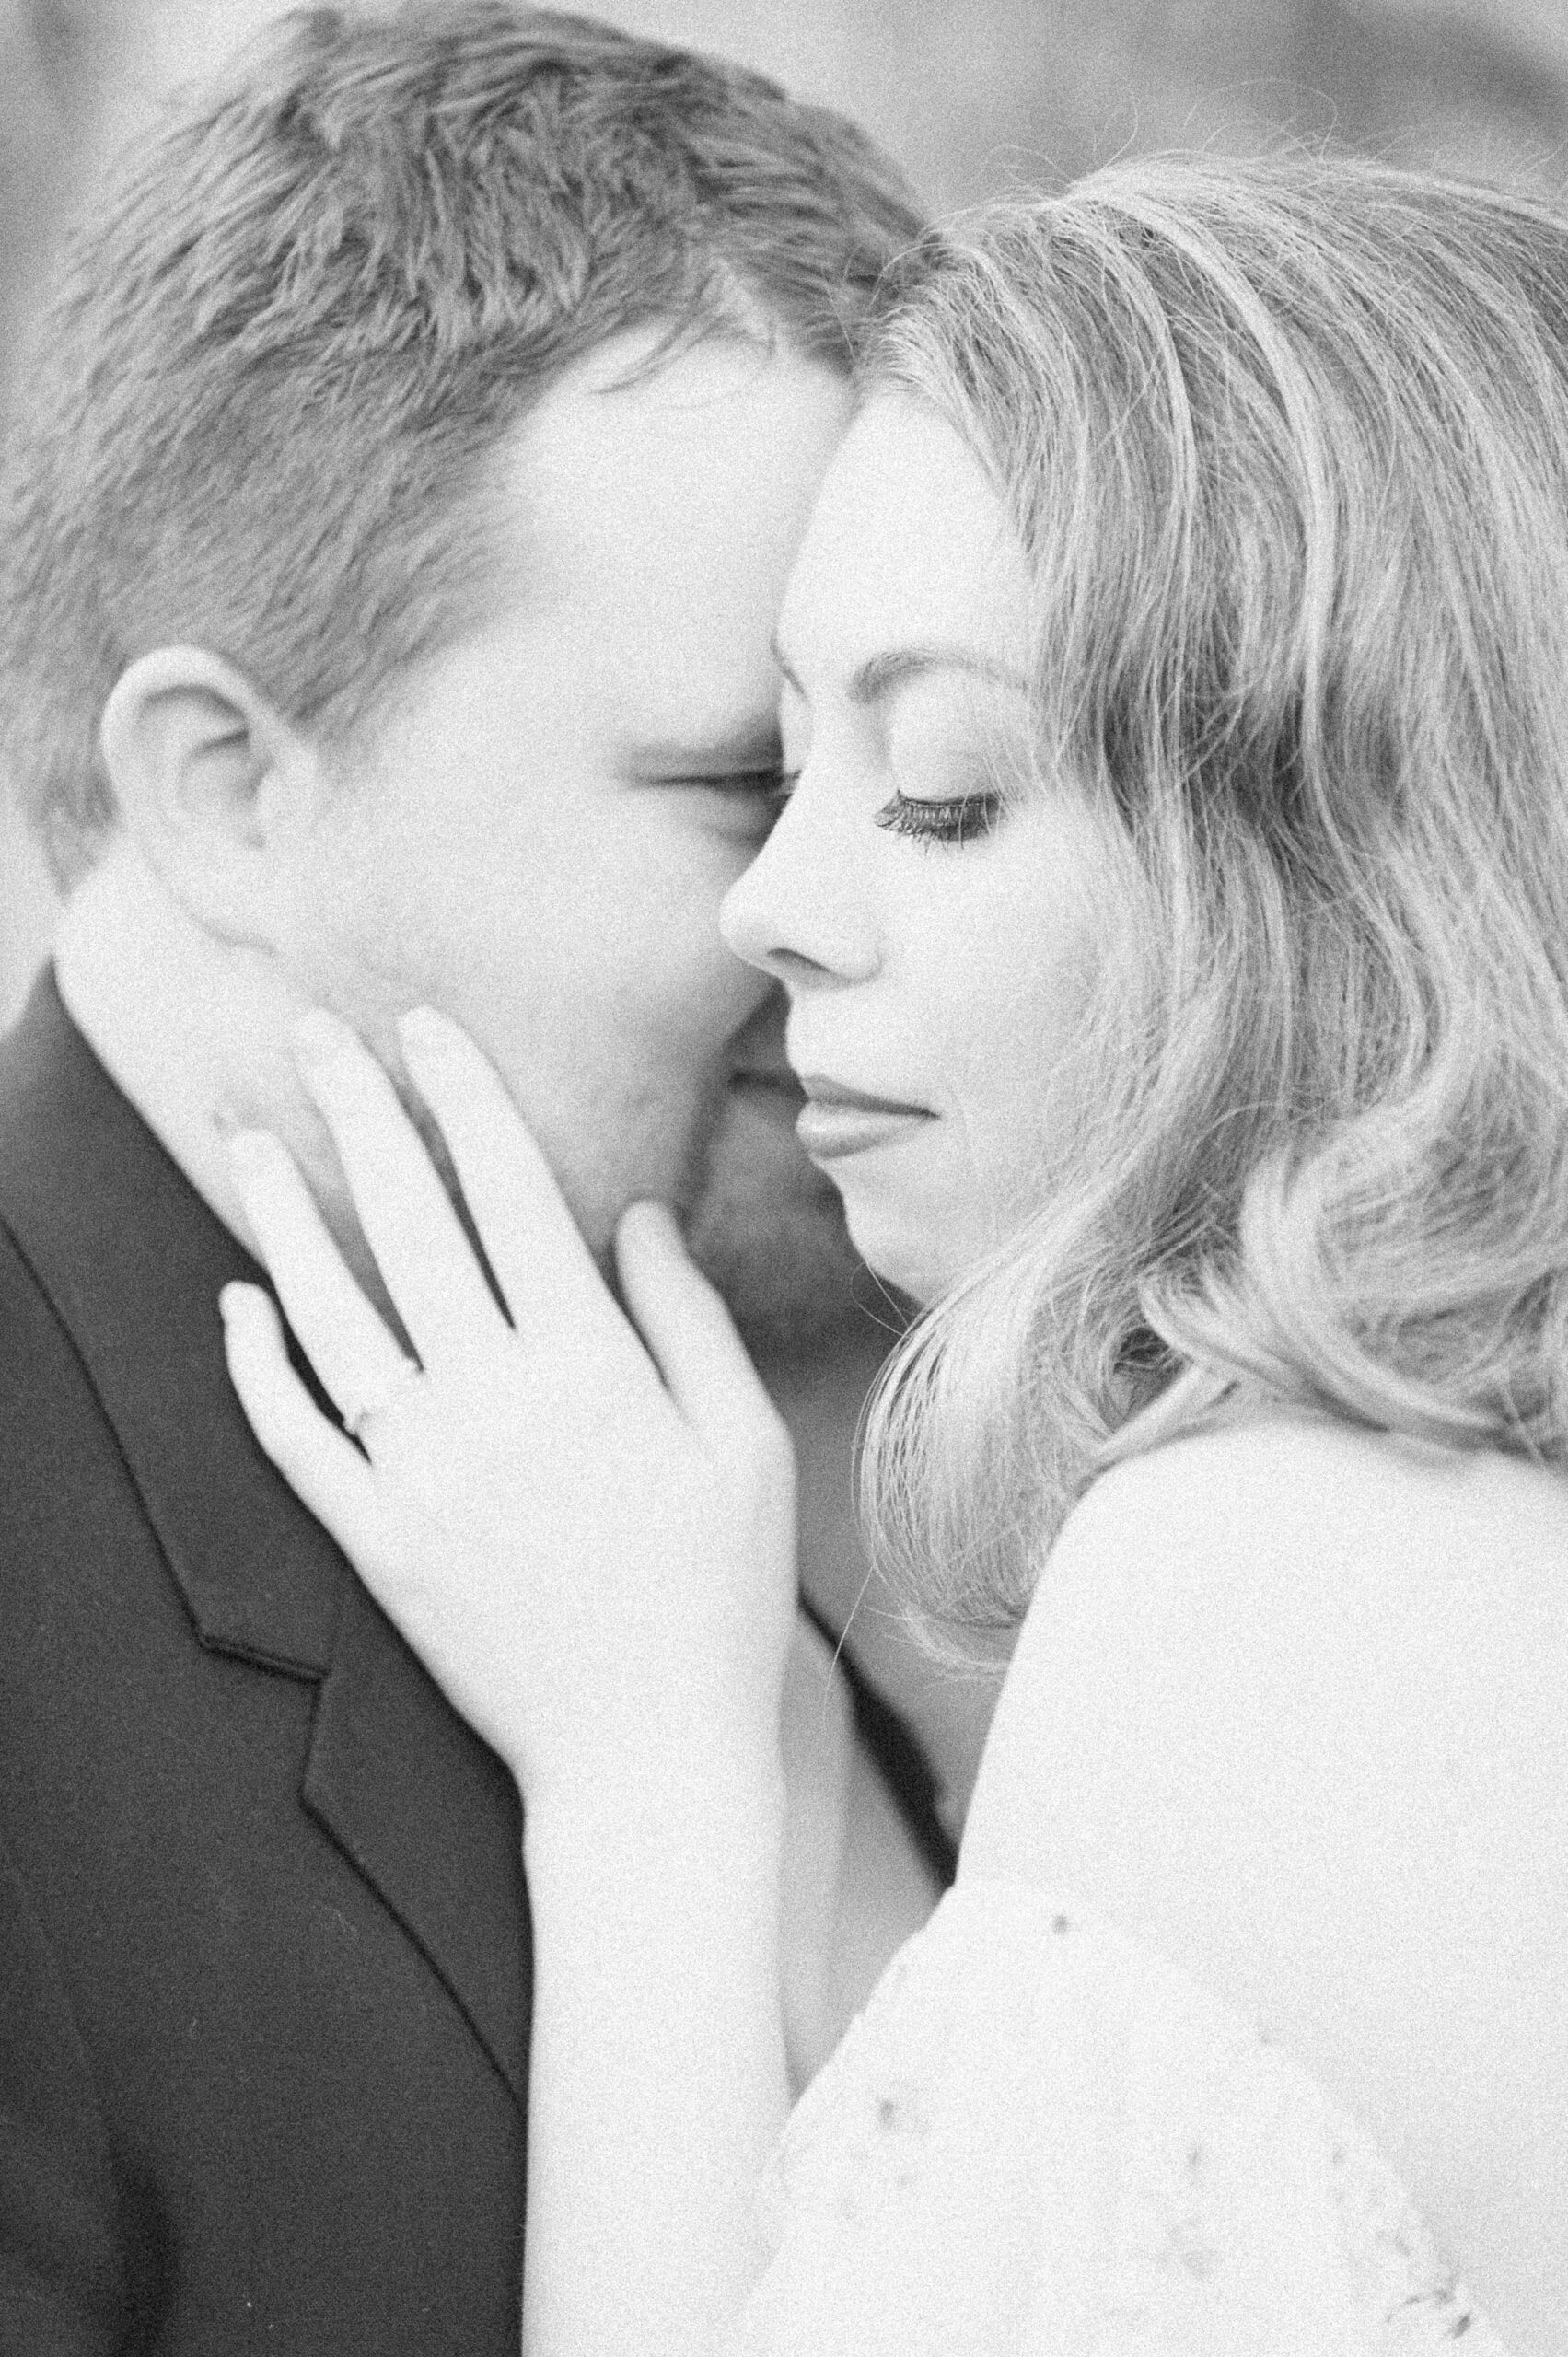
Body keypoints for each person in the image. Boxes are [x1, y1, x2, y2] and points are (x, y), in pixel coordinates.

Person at [224, 151, 1568, 2355]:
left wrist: (649, 1769)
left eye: (940, 789)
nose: (778, 905)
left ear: (1347, 865)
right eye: (769, 765)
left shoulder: (1262, 1575)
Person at [0, 6, 969, 2349]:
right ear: (234, 786)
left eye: (926, 782)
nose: (847, 916)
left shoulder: (817, 1435)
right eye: (740, 784)